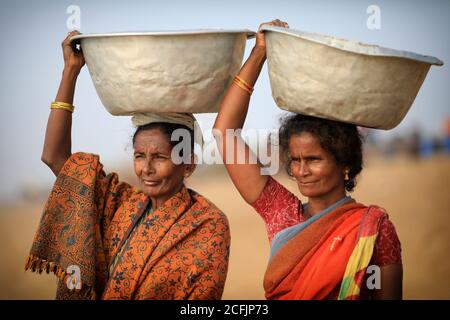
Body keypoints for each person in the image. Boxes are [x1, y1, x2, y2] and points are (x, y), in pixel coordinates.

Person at [25, 31, 230, 300]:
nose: (146, 168)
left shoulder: (208, 224)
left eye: (159, 157)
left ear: (189, 164)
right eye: (139, 156)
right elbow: (54, 157)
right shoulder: (117, 201)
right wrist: (71, 71)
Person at [213, 20, 402, 300]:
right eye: (295, 160)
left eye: (313, 159)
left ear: (345, 162)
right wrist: (259, 54)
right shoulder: (282, 212)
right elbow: (224, 133)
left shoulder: (374, 227)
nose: (301, 171)